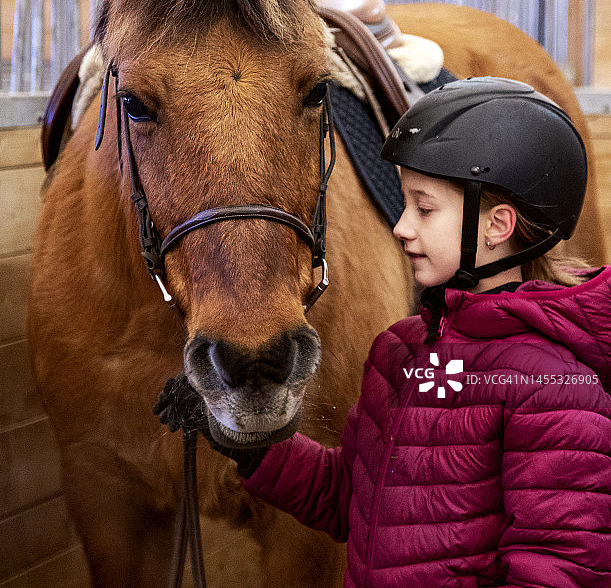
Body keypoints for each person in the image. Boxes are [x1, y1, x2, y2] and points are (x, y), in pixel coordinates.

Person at [157, 77, 611, 587]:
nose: (400, 227)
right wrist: (251, 447)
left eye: (424, 208)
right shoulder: (400, 353)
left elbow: (562, 566)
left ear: (497, 226)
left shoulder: (556, 389)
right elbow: (350, 498)